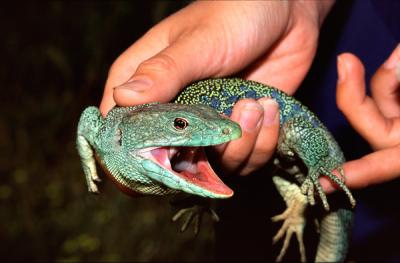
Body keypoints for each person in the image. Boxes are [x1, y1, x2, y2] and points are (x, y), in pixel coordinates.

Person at [99, 0, 399, 260]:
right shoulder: (172, 123)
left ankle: (311, 179)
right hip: (286, 147)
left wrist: (320, 164)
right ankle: (299, 202)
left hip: (314, 125)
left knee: (299, 150)